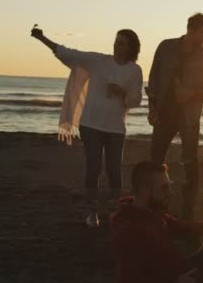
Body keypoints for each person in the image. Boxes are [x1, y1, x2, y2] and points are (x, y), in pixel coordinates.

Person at [31, 26, 143, 227]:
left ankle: (116, 211)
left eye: (121, 43)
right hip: (91, 124)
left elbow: (136, 100)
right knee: (94, 168)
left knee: (114, 171)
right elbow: (69, 54)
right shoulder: (98, 61)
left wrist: (121, 93)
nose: (116, 45)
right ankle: (92, 212)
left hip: (116, 128)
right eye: (116, 41)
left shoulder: (135, 71)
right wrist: (43, 39)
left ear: (130, 48)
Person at [110, 161, 203, 283]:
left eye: (169, 186)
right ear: (145, 190)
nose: (171, 192)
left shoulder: (150, 210)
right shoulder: (129, 230)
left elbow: (180, 227)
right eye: (164, 187)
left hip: (178, 270)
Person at [146, 13, 203, 220]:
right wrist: (151, 107)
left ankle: (188, 211)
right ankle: (154, 206)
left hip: (189, 120)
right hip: (163, 115)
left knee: (190, 164)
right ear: (191, 29)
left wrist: (191, 93)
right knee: (155, 161)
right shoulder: (165, 47)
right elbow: (153, 78)